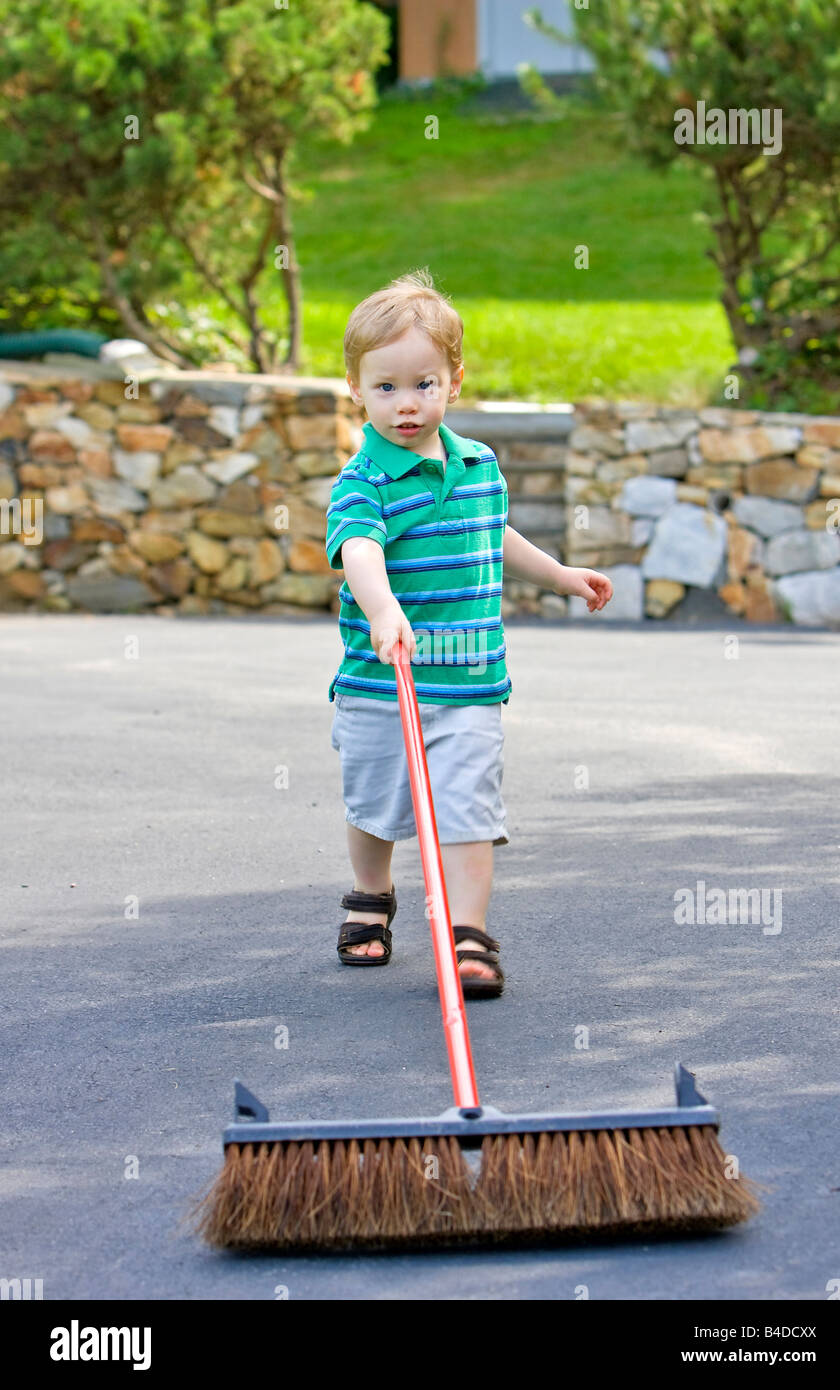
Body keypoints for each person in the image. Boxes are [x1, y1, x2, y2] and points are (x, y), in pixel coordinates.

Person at [325, 268, 612, 997]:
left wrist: (558, 575)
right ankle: (371, 894)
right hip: (382, 680)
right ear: (356, 387)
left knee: (468, 810)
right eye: (385, 387)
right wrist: (385, 609)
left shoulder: (479, 465)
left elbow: (496, 535)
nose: (406, 403)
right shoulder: (363, 480)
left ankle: (468, 936)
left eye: (424, 383)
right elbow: (358, 549)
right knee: (377, 803)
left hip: (470, 679)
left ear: (455, 378)